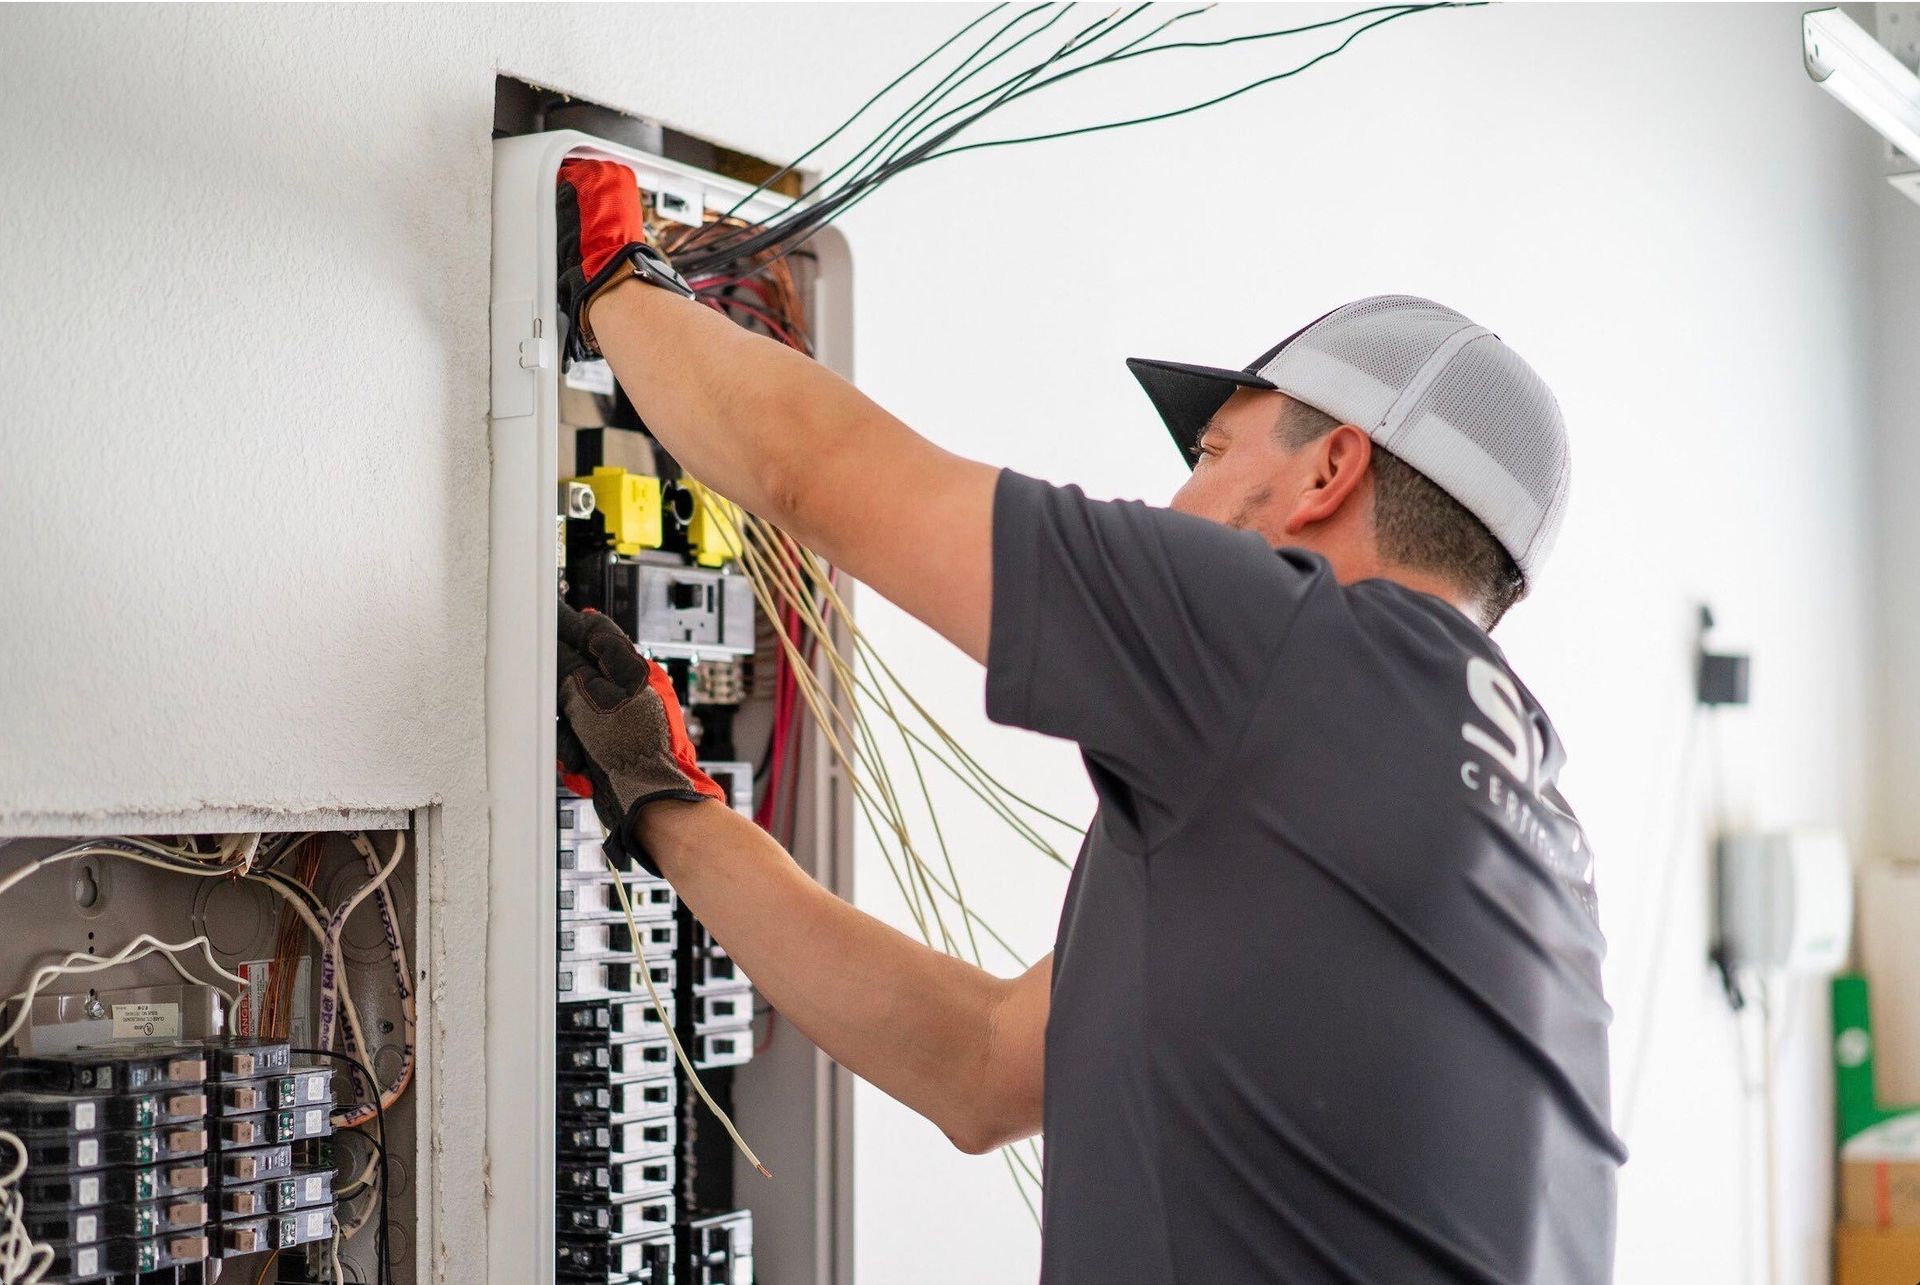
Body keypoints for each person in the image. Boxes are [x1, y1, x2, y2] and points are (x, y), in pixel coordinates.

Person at [551, 159, 1623, 1284]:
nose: (1176, 507)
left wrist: (613, 279)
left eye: (1210, 456)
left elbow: (811, 471)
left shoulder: (1297, 648)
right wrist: (667, 805)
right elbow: (975, 1067)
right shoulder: (1521, 822)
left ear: (1331, 468)